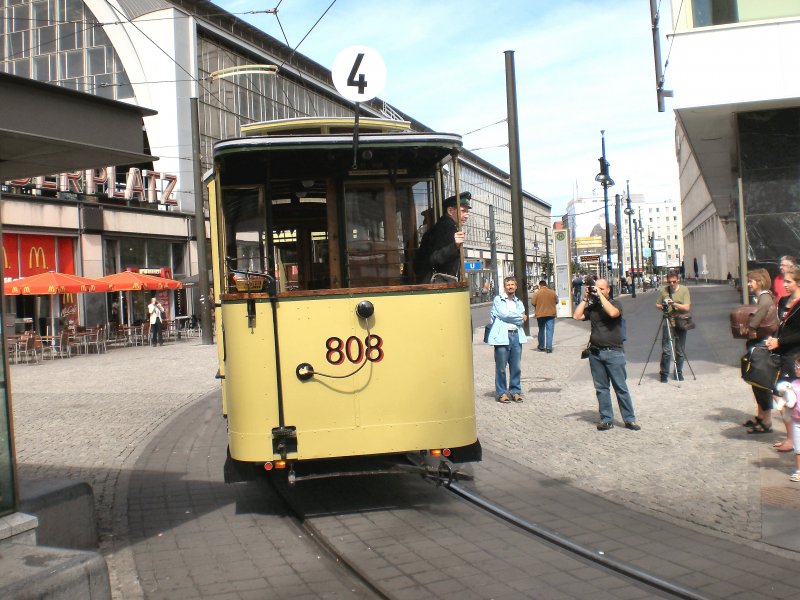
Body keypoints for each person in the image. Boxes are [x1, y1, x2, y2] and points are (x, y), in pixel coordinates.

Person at [573, 278, 640, 431]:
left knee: (620, 388)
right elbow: (577, 316)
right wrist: (585, 299)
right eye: (596, 288)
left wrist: (601, 296)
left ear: (608, 290)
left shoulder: (616, 303)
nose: (598, 291)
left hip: (614, 353)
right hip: (596, 353)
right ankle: (606, 419)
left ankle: (629, 419)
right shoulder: (594, 306)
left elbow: (613, 313)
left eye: (601, 288)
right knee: (601, 388)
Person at [766, 264, 800, 452]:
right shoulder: (784, 300)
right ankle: (791, 437)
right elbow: (781, 326)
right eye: (784, 281)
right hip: (783, 353)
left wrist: (781, 342)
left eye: (789, 281)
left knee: (787, 394)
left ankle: (792, 439)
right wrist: (775, 339)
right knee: (781, 394)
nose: (784, 284)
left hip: (795, 355)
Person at [742, 269, 776, 434]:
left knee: (761, 383)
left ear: (759, 282)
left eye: (751, 281)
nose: (749, 284)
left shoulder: (764, 298)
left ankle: (766, 420)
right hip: (759, 342)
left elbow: (757, 318)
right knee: (757, 383)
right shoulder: (764, 296)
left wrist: (750, 327)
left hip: (761, 344)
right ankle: (761, 416)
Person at [413, 192, 471, 283]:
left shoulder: (440, 227)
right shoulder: (446, 228)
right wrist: (454, 245)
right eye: (463, 211)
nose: (467, 215)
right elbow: (435, 258)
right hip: (439, 286)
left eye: (467, 211)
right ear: (450, 211)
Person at [486, 276, 528, 403]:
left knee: (516, 367)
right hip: (502, 336)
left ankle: (515, 391)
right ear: (504, 287)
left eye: (512, 284)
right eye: (508, 284)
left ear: (516, 287)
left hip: (516, 336)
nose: (510, 287)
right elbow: (504, 315)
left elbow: (520, 318)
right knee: (501, 367)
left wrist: (515, 318)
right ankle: (501, 393)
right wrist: (519, 317)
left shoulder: (519, 302)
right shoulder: (498, 300)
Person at [655, 270, 692, 383]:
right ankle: (664, 373)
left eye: (674, 282)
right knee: (666, 350)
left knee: (680, 350)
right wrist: (663, 305)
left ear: (678, 280)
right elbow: (657, 304)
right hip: (668, 321)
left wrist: (673, 303)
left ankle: (678, 372)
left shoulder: (684, 290)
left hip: (681, 322)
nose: (672, 284)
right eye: (669, 282)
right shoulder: (663, 291)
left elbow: (686, 307)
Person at [774, 359, 800, 481]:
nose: (796, 368)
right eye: (796, 366)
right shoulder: (793, 383)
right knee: (798, 448)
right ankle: (799, 471)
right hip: (796, 420)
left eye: (799, 366)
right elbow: (786, 396)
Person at [530, 279, 557, 353]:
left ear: (540, 285)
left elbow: (533, 302)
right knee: (550, 330)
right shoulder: (552, 292)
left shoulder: (537, 293)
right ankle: (549, 347)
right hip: (551, 314)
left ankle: (541, 346)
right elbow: (556, 301)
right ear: (546, 285)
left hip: (540, 314)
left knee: (541, 330)